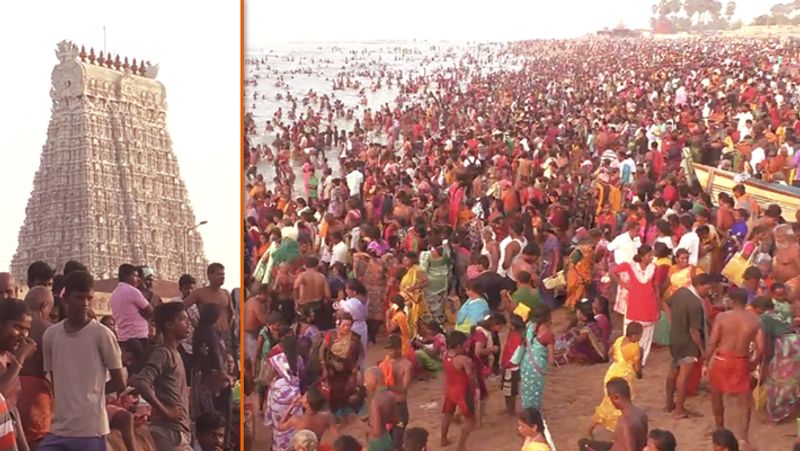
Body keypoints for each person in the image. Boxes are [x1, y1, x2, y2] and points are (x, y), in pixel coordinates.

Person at [40, 271, 126, 451]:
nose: (85, 304)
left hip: (90, 429)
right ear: (66, 297)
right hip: (59, 428)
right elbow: (55, 382)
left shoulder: (102, 335)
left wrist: (91, 394)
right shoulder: (51, 336)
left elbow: (120, 383)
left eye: (89, 298)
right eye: (79, 298)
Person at [129, 302, 191, 451]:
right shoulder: (163, 353)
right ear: (169, 325)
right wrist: (165, 411)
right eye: (183, 319)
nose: (188, 324)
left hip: (177, 430)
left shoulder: (176, 353)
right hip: (168, 431)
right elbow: (141, 382)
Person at [706, 288, 763, 447]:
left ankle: (719, 428)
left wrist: (705, 360)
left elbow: (713, 341)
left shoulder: (722, 317)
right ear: (747, 302)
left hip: (722, 358)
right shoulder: (755, 320)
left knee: (716, 394)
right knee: (745, 400)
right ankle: (743, 436)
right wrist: (753, 363)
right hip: (741, 360)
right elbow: (761, 347)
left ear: (731, 300)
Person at [665, 273, 713, 418]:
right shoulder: (695, 303)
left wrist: (672, 321)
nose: (708, 292)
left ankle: (669, 404)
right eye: (706, 288)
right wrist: (702, 350)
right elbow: (694, 331)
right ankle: (679, 410)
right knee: (684, 375)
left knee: (673, 370)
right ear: (698, 286)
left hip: (675, 337)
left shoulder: (681, 292)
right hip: (688, 343)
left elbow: (666, 303)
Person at [589, 322, 642, 436]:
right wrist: (639, 374)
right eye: (639, 335)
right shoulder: (635, 347)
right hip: (624, 376)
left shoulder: (619, 339)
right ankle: (619, 431)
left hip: (612, 372)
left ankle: (592, 425)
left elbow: (610, 352)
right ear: (634, 336)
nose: (640, 338)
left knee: (607, 401)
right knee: (623, 404)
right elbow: (637, 367)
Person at [611, 245, 659, 366]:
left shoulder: (654, 268)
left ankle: (641, 361)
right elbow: (613, 272)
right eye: (649, 255)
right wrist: (623, 284)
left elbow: (656, 287)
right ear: (642, 257)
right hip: (634, 305)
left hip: (649, 304)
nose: (652, 257)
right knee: (629, 333)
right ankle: (625, 358)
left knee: (646, 335)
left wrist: (657, 305)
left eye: (652, 255)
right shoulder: (629, 266)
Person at [18, 287, 54, 448]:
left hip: (10, 390)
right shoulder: (49, 330)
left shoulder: (13, 326)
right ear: (44, 306)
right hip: (37, 395)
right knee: (38, 441)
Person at [578, 378, 647, 451]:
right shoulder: (641, 414)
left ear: (615, 397)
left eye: (610, 398)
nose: (611, 402)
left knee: (584, 446)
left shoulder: (625, 422)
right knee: (584, 443)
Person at [263, 334, 304, 451]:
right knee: (292, 427)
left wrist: (276, 383)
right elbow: (300, 376)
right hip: (294, 398)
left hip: (278, 399)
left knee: (278, 428)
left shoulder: (277, 360)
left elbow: (266, 378)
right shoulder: (299, 359)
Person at [109, 263, 153, 374]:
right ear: (126, 276)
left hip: (123, 339)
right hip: (138, 338)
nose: (138, 279)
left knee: (131, 372)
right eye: (135, 276)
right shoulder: (132, 291)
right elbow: (150, 311)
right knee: (141, 373)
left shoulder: (114, 294)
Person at [318, 312, 361, 416]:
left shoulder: (355, 339)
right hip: (331, 370)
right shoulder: (331, 335)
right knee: (331, 393)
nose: (346, 328)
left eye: (349, 326)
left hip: (346, 371)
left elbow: (357, 356)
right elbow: (322, 350)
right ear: (338, 324)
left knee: (345, 392)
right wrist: (324, 367)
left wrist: (355, 371)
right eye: (344, 325)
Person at [440, 331, 476, 451]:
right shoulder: (463, 359)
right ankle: (461, 446)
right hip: (462, 392)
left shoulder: (445, 355)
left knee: (447, 414)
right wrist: (473, 391)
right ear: (459, 346)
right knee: (470, 419)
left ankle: (443, 439)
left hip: (450, 390)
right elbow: (470, 377)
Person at [514, 306, 554, 411]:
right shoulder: (548, 334)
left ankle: (526, 412)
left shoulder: (529, 327)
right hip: (537, 368)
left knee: (526, 390)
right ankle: (533, 414)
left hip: (526, 364)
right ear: (548, 318)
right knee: (535, 393)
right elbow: (551, 360)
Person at [379, 334, 412, 449]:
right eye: (388, 350)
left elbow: (404, 389)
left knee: (398, 437)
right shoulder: (384, 364)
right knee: (389, 437)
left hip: (399, 405)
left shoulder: (406, 365)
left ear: (399, 348)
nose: (389, 353)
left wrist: (387, 386)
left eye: (392, 349)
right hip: (387, 405)